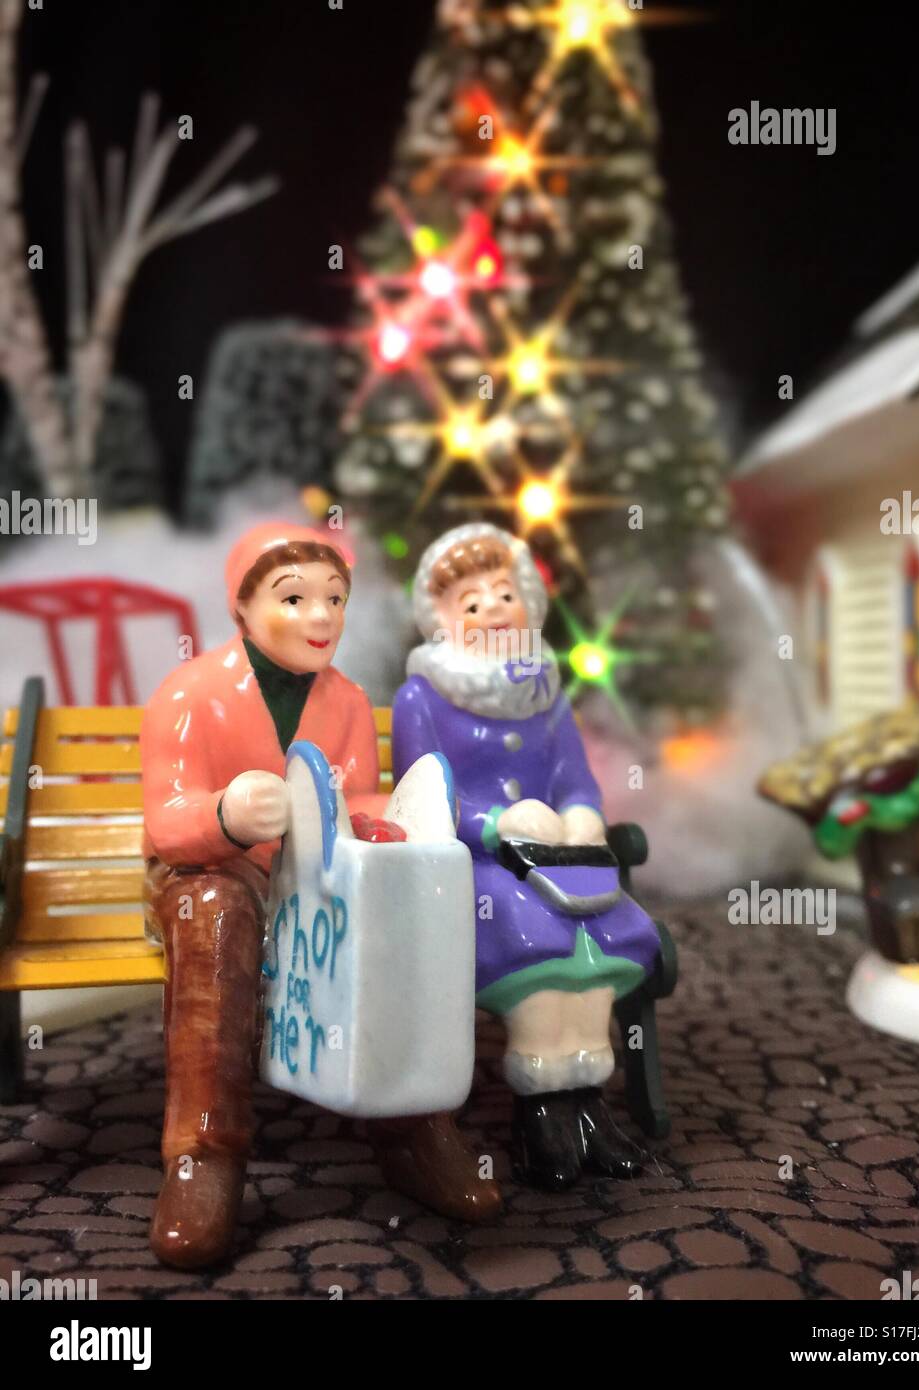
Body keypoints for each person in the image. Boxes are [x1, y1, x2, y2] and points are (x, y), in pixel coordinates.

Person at [141, 521, 501, 1269]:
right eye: (294, 597)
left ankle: (410, 1120)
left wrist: (383, 823)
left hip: (316, 872)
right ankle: (204, 1150)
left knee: (396, 895)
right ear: (240, 608)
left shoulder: (345, 701)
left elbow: (357, 792)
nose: (320, 616)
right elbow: (167, 822)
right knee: (214, 915)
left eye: (334, 598)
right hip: (214, 872)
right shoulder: (189, 693)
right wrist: (225, 816)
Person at [393, 523, 659, 1190]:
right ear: (441, 622)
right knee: (531, 930)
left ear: (529, 605)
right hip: (475, 867)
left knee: (602, 926)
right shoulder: (421, 698)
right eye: (468, 602)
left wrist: (581, 813)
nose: (488, 609)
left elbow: (573, 772)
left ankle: (587, 1105)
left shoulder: (546, 693)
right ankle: (543, 1111)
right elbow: (422, 794)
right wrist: (493, 824)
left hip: (560, 858)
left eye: (501, 593)